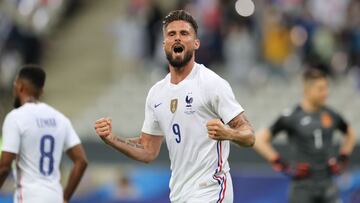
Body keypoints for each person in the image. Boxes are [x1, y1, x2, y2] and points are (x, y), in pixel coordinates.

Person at [94, 10, 255, 203]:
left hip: (211, 191)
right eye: (171, 34)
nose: (177, 38)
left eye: (184, 33)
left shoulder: (212, 84)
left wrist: (228, 134)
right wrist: (112, 139)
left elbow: (249, 136)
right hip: (179, 194)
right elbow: (148, 150)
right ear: (164, 45)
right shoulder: (157, 93)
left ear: (196, 43)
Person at [254, 68, 356, 203]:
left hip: (328, 185)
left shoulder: (330, 114)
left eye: (326, 88)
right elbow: (259, 140)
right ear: (307, 91)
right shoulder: (291, 116)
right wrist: (281, 164)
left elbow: (351, 134)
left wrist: (343, 158)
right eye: (321, 89)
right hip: (302, 188)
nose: (326, 93)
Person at [0, 65, 88, 203]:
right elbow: (81, 161)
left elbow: (4, 167)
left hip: (29, 196)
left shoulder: (15, 117)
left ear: (20, 86)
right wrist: (65, 197)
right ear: (41, 91)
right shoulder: (60, 118)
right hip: (55, 196)